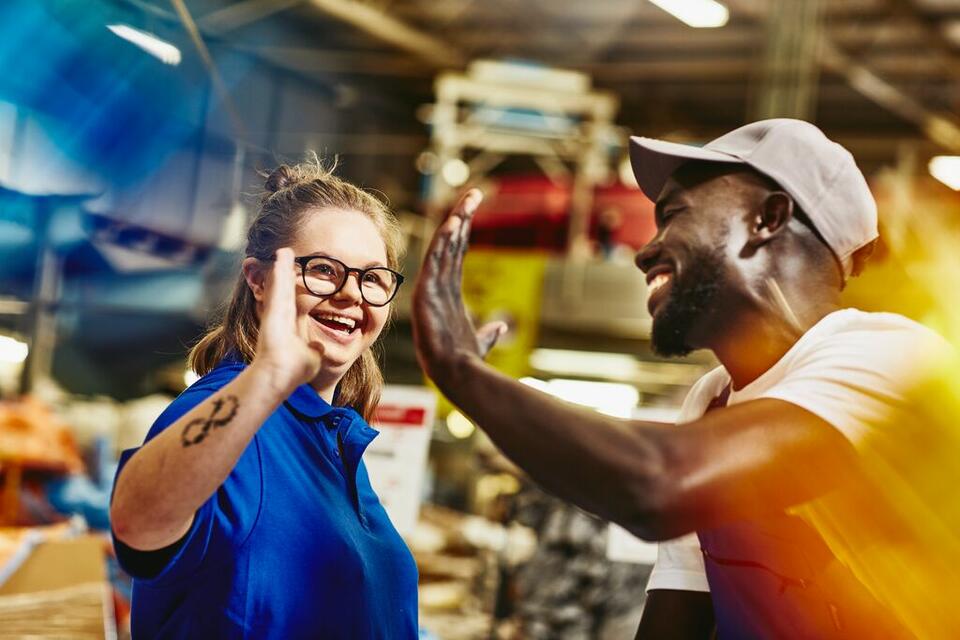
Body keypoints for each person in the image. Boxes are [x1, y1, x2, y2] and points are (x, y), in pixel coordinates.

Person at [411, 119, 956, 638]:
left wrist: (464, 373)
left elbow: (656, 486)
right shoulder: (712, 400)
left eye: (674, 214)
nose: (645, 251)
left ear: (768, 217)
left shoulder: (893, 359)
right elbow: (681, 614)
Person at [110, 160, 418, 639]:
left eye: (373, 278)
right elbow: (137, 520)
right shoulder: (233, 415)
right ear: (257, 279)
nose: (350, 294)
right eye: (323, 270)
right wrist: (268, 376)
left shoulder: (330, 441)